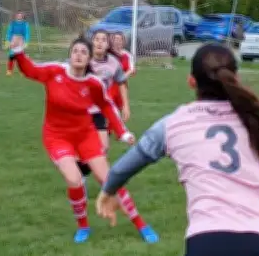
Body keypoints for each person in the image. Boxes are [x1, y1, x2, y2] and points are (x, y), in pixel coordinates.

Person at [96, 43, 259, 256]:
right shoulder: (253, 119)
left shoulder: (172, 125)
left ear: (191, 82)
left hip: (208, 240)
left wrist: (108, 191)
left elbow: (123, 168)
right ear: (236, 79)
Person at [11, 36, 138, 243]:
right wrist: (19, 53)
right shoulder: (55, 72)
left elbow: (107, 105)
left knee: (109, 179)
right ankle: (83, 227)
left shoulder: (93, 83)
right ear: (70, 55)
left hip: (85, 135)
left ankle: (141, 224)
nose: (78, 55)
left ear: (89, 59)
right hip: (57, 136)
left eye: (83, 52)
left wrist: (123, 133)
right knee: (74, 179)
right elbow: (31, 70)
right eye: (75, 51)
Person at [76, 30, 157, 243]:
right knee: (84, 175)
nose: (100, 43)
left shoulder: (113, 63)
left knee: (102, 163)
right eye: (97, 39)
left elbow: (121, 84)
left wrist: (124, 125)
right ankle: (83, 226)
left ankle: (141, 224)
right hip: (76, 120)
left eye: (104, 40)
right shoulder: (82, 61)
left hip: (100, 115)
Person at [108, 33, 134, 112]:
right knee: (108, 109)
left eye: (120, 39)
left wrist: (122, 78)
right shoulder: (108, 54)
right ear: (112, 41)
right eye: (116, 39)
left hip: (122, 87)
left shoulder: (127, 55)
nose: (118, 41)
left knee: (120, 110)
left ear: (123, 42)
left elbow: (131, 69)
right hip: (109, 86)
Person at [5, 11, 31, 76]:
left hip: (21, 40)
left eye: (20, 15)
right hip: (13, 40)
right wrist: (8, 41)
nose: (19, 16)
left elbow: (27, 33)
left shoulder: (25, 24)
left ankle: (22, 71)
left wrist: (26, 42)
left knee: (21, 57)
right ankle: (9, 70)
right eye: (18, 15)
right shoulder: (12, 24)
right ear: (16, 16)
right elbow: (9, 32)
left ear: (23, 16)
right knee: (11, 55)